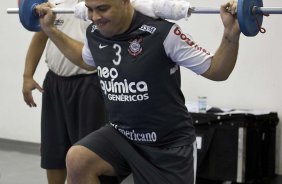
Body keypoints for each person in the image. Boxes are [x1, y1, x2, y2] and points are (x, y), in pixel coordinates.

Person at [35, 0, 240, 183]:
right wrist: (51, 30)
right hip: (122, 135)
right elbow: (86, 61)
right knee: (78, 159)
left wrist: (231, 33)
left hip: (167, 145)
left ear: (125, 2)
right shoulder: (94, 33)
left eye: (103, 9)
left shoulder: (164, 33)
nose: (95, 17)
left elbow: (217, 70)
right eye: (89, 9)